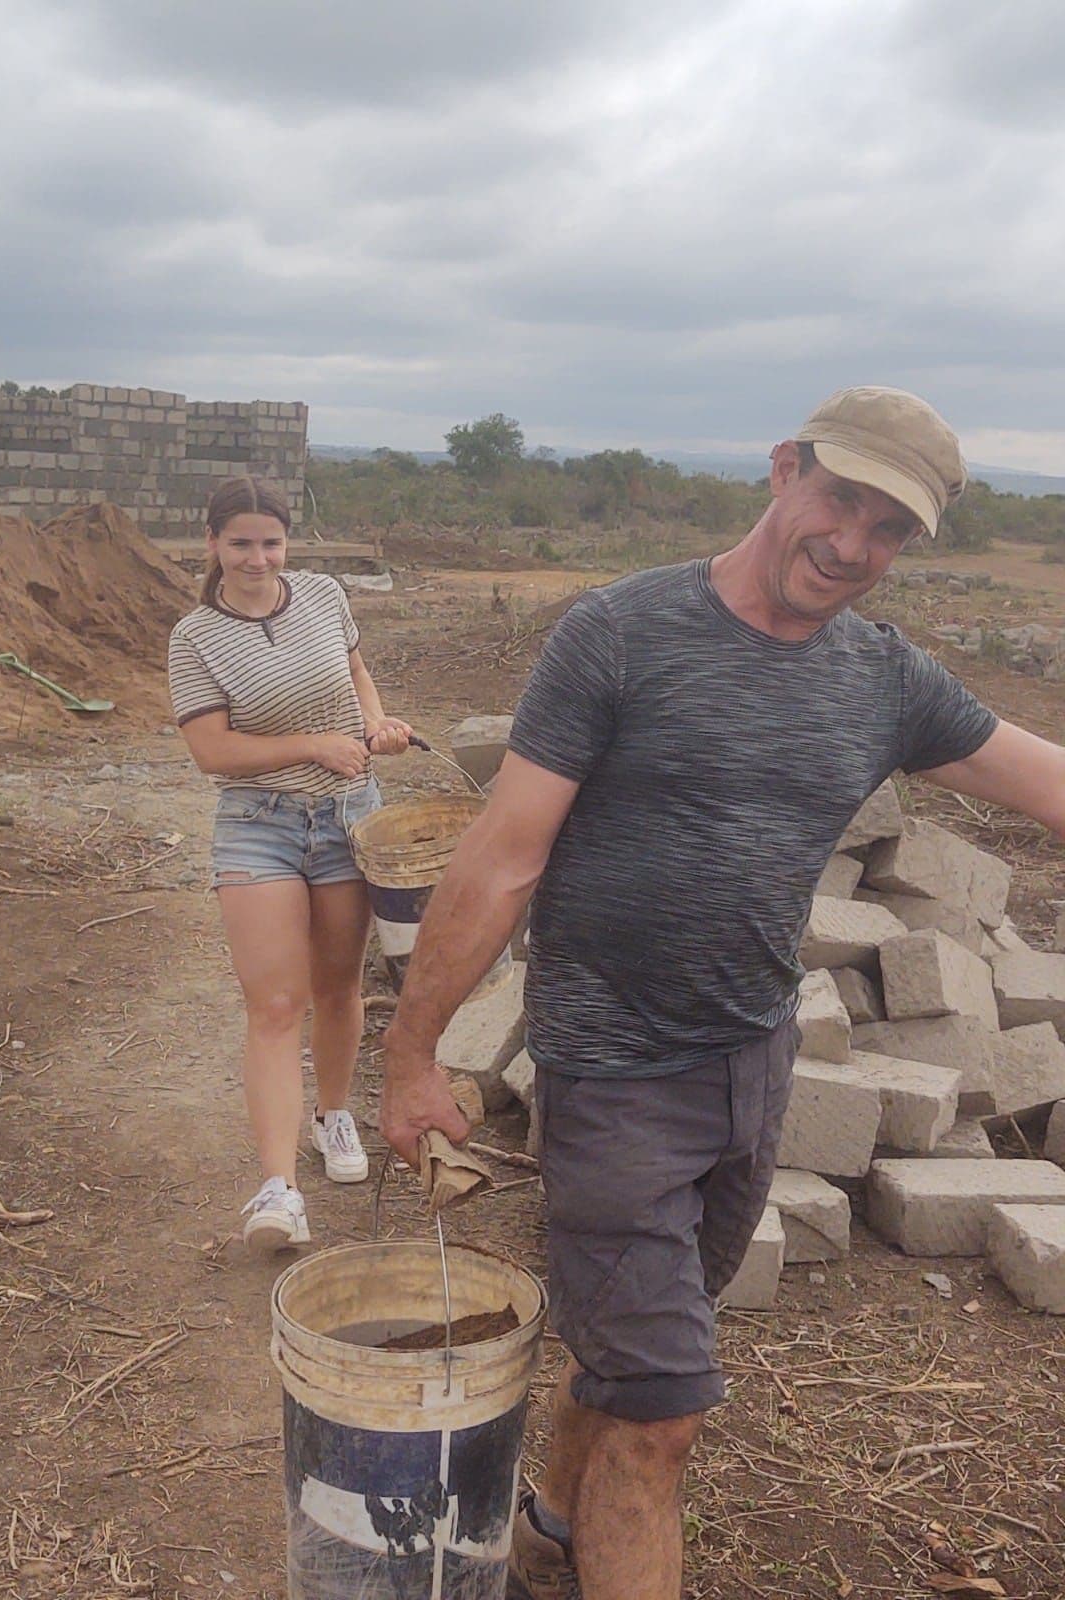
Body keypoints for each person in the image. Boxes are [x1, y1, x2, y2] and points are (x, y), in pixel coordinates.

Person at [379, 387, 1065, 1600]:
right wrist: (414, 1050)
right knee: (665, 1416)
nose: (852, 545)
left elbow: (1045, 777)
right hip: (613, 1074)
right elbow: (501, 854)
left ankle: (544, 1535)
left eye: (889, 529)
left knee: (631, 1358)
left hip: (753, 1067)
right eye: (839, 499)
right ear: (782, 468)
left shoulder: (883, 679)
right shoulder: (621, 635)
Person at [169, 475, 411, 1253]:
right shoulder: (194, 637)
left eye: (269, 542)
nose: (256, 557)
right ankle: (279, 1188)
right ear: (212, 544)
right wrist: (311, 745)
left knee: (339, 985)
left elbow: (356, 672)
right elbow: (213, 750)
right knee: (275, 1005)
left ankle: (333, 1115)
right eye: (240, 543)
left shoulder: (323, 596)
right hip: (258, 825)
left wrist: (377, 722)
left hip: (348, 818)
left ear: (287, 543)